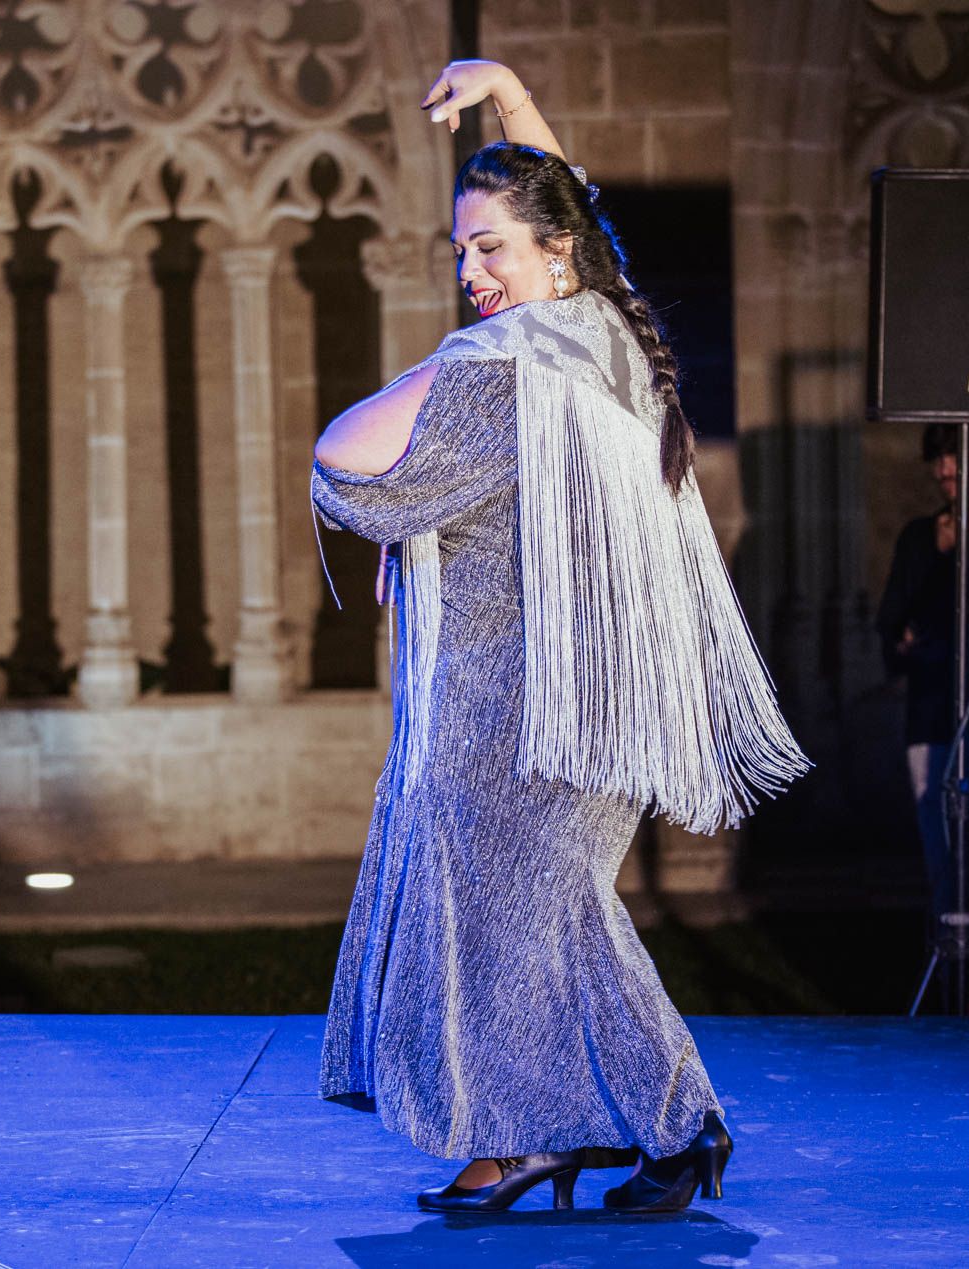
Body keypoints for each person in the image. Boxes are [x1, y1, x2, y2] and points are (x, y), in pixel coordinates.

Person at [310, 61, 808, 1213]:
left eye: (490, 248)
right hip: (552, 699)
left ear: (556, 256)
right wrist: (508, 95)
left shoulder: (508, 367)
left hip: (523, 710)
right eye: (461, 252)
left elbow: (342, 461)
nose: (471, 273)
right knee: (517, 928)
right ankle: (529, 1139)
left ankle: (673, 1122)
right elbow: (571, 198)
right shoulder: (605, 338)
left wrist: (444, 361)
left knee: (545, 920)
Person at [875, 425, 969, 932]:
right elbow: (891, 620)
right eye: (940, 459)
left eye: (958, 456)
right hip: (931, 710)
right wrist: (903, 641)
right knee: (941, 841)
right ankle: (954, 957)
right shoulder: (917, 538)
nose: (947, 470)